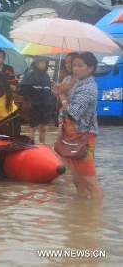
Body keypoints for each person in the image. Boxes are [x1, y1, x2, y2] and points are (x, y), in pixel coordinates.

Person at [55, 52, 103, 199]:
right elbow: (62, 106)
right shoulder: (70, 80)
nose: (75, 68)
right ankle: (81, 216)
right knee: (78, 182)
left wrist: (63, 96)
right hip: (69, 136)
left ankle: (94, 217)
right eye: (73, 65)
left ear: (90, 68)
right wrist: (58, 93)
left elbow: (73, 114)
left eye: (79, 66)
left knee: (91, 184)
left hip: (82, 139)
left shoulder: (89, 88)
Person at [18, 59, 53, 144]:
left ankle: (43, 147)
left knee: (43, 128)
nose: (43, 64)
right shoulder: (30, 75)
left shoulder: (46, 76)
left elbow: (49, 90)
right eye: (42, 62)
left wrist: (50, 101)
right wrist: (29, 100)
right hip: (34, 106)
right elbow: (21, 89)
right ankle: (31, 146)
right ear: (36, 63)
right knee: (33, 128)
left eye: (45, 62)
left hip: (45, 106)